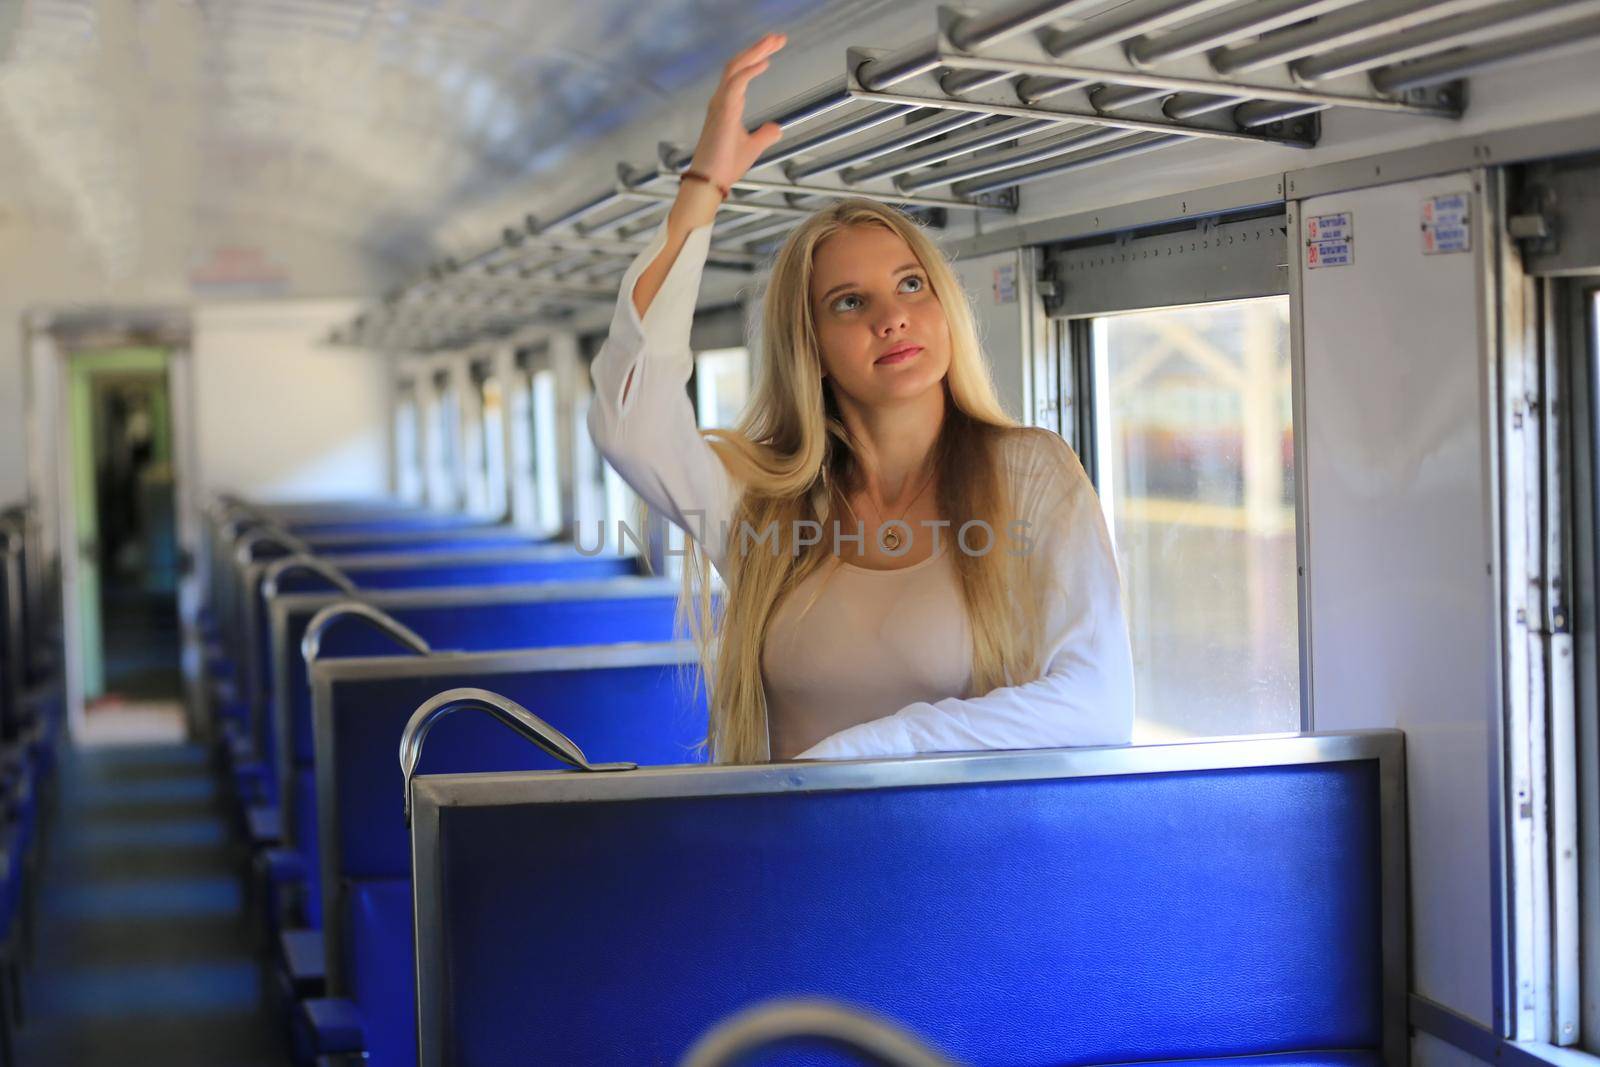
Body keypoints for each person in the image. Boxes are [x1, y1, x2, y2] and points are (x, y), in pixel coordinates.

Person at [588, 32, 1134, 763]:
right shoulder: (765, 502)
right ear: (807, 346)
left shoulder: (1029, 474)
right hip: (787, 862)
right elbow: (630, 420)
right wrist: (705, 188)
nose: (892, 316)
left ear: (943, 305)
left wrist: (859, 757)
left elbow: (1095, 703)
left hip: (963, 864)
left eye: (912, 284)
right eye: (849, 302)